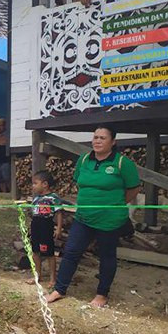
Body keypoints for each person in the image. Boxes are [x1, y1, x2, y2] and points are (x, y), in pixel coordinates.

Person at [47, 127, 140, 308]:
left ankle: (102, 294)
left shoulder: (123, 163)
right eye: (95, 137)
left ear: (113, 142)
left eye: (102, 138)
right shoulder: (84, 160)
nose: (97, 141)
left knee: (106, 256)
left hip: (109, 220)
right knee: (71, 251)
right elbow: (79, 183)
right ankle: (59, 289)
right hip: (83, 217)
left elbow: (134, 189)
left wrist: (114, 204)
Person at [26, 171, 65, 288]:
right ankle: (38, 276)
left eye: (35, 183)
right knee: (35, 251)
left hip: (46, 227)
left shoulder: (54, 198)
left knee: (49, 253)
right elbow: (33, 214)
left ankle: (53, 279)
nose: (33, 186)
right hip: (35, 226)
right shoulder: (36, 199)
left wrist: (58, 228)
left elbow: (59, 213)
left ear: (45, 184)